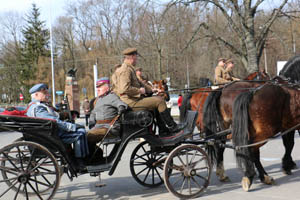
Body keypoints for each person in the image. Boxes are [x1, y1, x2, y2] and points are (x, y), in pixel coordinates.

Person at [111, 47, 186, 138]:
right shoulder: (125, 70)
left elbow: (140, 84)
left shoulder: (130, 69)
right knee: (159, 101)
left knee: (155, 103)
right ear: (132, 57)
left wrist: (152, 89)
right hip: (130, 101)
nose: (137, 59)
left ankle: (164, 131)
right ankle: (172, 126)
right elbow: (124, 89)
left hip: (132, 99)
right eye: (136, 57)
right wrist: (139, 91)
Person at [26, 83, 89, 171]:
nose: (47, 95)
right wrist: (71, 127)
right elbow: (53, 121)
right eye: (45, 93)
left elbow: (55, 117)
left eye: (47, 93)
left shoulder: (39, 105)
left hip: (50, 133)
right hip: (51, 137)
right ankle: (79, 163)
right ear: (36, 95)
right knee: (81, 133)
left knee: (81, 129)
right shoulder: (37, 108)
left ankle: (82, 158)